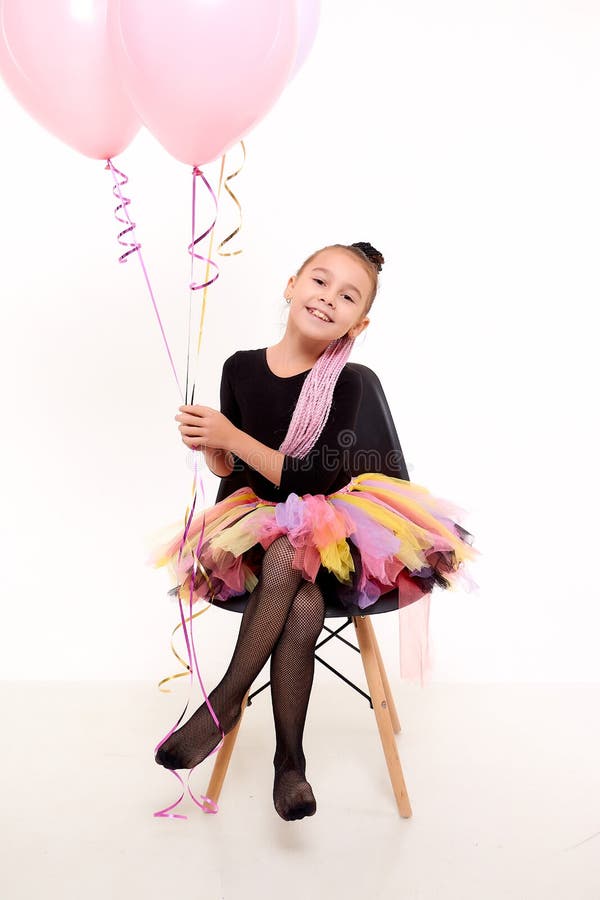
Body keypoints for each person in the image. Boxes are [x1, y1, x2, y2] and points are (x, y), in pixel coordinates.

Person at [151, 241, 477, 821]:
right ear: (291, 284)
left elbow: (314, 478)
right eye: (319, 282)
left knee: (289, 559)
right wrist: (212, 444)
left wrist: (233, 435)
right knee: (294, 592)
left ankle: (225, 699)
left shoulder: (348, 382)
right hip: (259, 525)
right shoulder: (240, 368)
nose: (329, 299)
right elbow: (237, 471)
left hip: (338, 531)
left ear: (361, 321)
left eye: (347, 296)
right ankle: (290, 762)